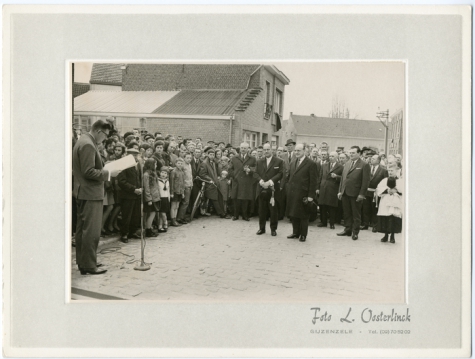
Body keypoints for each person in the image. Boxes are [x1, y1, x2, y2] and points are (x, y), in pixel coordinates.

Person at [73, 119, 119, 275]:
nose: (105, 139)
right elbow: (88, 171)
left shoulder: (84, 140)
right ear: (99, 131)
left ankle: (84, 262)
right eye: (105, 135)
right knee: (91, 232)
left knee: (83, 231)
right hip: (90, 194)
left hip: (84, 192)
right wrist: (108, 173)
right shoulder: (88, 144)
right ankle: (89, 265)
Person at [285, 144, 318, 242]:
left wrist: (310, 196)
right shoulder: (293, 162)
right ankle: (296, 232)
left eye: (299, 150)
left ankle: (303, 234)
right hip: (293, 193)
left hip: (304, 194)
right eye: (295, 150)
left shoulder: (311, 163)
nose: (296, 152)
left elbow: (313, 181)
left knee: (303, 215)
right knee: (294, 214)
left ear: (304, 151)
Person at [337, 146, 371, 240]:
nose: (351, 154)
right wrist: (340, 191)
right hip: (345, 192)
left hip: (356, 194)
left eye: (353, 153)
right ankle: (347, 229)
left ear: (359, 154)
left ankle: (355, 232)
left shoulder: (364, 165)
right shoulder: (347, 163)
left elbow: (366, 181)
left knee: (356, 214)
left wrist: (361, 194)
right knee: (347, 213)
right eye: (350, 153)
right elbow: (343, 179)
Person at [254, 143, 284, 237]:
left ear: (272, 150)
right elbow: (255, 173)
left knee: (273, 210)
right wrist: (261, 181)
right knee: (262, 210)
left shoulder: (279, 161)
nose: (266, 151)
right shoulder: (259, 161)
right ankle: (261, 228)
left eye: (268, 149)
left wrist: (270, 181)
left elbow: (280, 174)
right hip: (262, 188)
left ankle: (273, 229)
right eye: (264, 149)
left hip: (273, 190)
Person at [117, 146, 143, 243]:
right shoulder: (124, 165)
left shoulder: (137, 165)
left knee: (135, 215)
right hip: (127, 195)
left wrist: (140, 188)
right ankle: (124, 234)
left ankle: (132, 231)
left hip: (136, 194)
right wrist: (133, 189)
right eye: (133, 155)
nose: (135, 157)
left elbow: (138, 178)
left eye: (136, 155)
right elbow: (121, 181)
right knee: (126, 215)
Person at [228, 142, 257, 221]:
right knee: (236, 199)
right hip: (236, 181)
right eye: (242, 148)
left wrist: (250, 170)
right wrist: (235, 176)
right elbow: (230, 169)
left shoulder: (252, 158)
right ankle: (235, 215)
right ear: (239, 148)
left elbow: (256, 169)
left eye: (245, 148)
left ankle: (245, 215)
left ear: (248, 149)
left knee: (245, 199)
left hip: (246, 182)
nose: (243, 149)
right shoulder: (234, 158)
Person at [198, 148, 230, 219]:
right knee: (215, 199)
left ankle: (223, 212)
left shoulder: (213, 162)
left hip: (215, 183)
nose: (212, 156)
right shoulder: (204, 163)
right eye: (210, 154)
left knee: (219, 197)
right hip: (209, 184)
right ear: (207, 155)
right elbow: (202, 174)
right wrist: (210, 179)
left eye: (213, 155)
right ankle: (221, 214)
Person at [375, 166, 403, 243]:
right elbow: (379, 189)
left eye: (392, 171)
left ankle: (392, 236)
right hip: (385, 200)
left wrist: (396, 190)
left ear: (396, 171)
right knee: (385, 217)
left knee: (393, 218)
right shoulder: (384, 180)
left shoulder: (400, 181)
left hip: (395, 201)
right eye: (389, 171)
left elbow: (403, 190)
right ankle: (386, 235)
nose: (390, 172)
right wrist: (387, 190)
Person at [361, 154, 388, 232]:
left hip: (376, 192)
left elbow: (385, 182)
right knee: (366, 208)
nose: (371, 160)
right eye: (371, 158)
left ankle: (375, 225)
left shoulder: (383, 170)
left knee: (375, 209)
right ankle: (365, 224)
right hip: (367, 191)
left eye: (374, 159)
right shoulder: (367, 168)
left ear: (379, 160)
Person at [316, 151, 343, 229]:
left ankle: (332, 223)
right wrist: (318, 188)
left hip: (333, 189)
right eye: (330, 156)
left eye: (333, 156)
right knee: (322, 206)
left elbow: (343, 178)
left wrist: (337, 177)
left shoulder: (340, 167)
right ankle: (323, 222)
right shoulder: (324, 165)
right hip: (323, 187)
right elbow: (320, 177)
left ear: (336, 157)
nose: (331, 158)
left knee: (332, 207)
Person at [143, 158, 160, 238]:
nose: (156, 166)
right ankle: (148, 229)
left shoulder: (153, 173)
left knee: (153, 213)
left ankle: (149, 228)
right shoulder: (146, 175)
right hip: (151, 198)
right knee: (151, 213)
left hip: (155, 196)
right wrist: (149, 199)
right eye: (155, 164)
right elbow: (146, 188)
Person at [177, 153, 193, 224]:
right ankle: (180, 218)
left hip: (189, 185)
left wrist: (191, 184)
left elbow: (190, 176)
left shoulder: (189, 165)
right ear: (184, 158)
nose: (189, 159)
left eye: (190, 158)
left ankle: (182, 216)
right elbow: (182, 177)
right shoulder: (183, 166)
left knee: (186, 202)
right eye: (187, 158)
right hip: (185, 186)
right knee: (185, 202)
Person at [170, 157, 186, 226]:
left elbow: (183, 183)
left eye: (181, 163)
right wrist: (171, 192)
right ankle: (172, 220)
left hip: (180, 191)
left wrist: (182, 192)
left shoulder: (182, 172)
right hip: (175, 192)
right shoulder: (173, 171)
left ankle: (175, 219)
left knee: (177, 206)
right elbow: (172, 183)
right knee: (173, 206)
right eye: (178, 163)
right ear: (176, 163)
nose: (180, 165)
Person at [157, 168, 171, 233]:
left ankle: (160, 226)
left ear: (167, 175)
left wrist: (169, 198)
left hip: (166, 198)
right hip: (160, 198)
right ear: (160, 173)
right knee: (162, 213)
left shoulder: (167, 181)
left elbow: (168, 190)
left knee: (163, 213)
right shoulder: (158, 181)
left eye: (165, 173)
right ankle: (165, 223)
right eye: (162, 172)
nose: (163, 174)